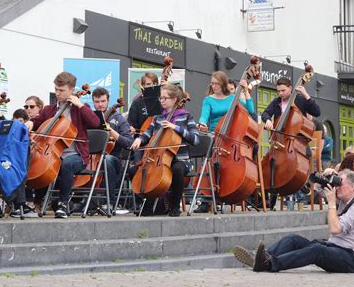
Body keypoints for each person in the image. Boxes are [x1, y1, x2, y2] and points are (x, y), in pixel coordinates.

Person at [233, 169, 354, 273]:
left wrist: (331, 203)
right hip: (335, 248)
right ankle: (260, 259)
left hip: (352, 259)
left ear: (353, 187)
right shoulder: (345, 197)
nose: (336, 188)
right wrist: (324, 177)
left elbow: (335, 229)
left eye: (340, 184)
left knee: (317, 250)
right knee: (293, 239)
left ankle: (270, 263)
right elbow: (318, 188)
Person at [26, 72, 100, 218]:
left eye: (62, 90)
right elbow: (38, 121)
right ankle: (32, 202)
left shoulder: (79, 108)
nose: (58, 93)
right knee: (34, 161)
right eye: (56, 90)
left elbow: (95, 123)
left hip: (76, 155)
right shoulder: (49, 110)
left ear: (71, 90)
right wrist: (30, 123)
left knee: (66, 164)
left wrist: (80, 105)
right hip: (53, 153)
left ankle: (63, 204)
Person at [131, 84, 199, 216]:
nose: (161, 100)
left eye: (165, 98)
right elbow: (148, 133)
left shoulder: (186, 116)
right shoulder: (158, 117)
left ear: (174, 100)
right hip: (158, 159)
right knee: (134, 171)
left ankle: (175, 206)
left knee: (177, 170)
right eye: (160, 98)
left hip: (181, 159)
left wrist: (176, 128)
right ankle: (147, 204)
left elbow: (195, 139)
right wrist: (139, 140)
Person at [194, 71, 254, 213]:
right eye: (212, 83)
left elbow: (251, 111)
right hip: (215, 135)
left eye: (217, 83)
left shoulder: (234, 98)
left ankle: (229, 191)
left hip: (232, 136)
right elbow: (204, 116)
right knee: (209, 162)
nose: (214, 86)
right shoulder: (208, 99)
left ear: (223, 84)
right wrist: (202, 124)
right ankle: (206, 199)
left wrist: (245, 90)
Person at [261, 76, 320, 210]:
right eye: (278, 91)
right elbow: (265, 113)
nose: (280, 94)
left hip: (297, 141)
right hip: (280, 140)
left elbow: (316, 111)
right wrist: (268, 121)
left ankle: (303, 182)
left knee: (307, 156)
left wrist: (305, 94)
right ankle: (273, 195)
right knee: (273, 163)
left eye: (283, 90)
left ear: (291, 88)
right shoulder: (276, 102)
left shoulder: (300, 99)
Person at [91, 87, 133, 208]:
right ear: (93, 102)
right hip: (92, 158)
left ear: (108, 100)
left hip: (114, 159)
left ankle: (110, 202)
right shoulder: (91, 117)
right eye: (97, 102)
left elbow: (129, 143)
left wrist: (112, 132)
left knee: (107, 159)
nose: (100, 105)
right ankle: (82, 202)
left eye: (103, 101)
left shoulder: (118, 118)